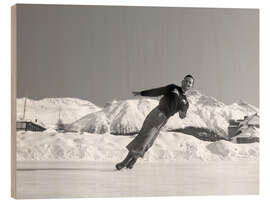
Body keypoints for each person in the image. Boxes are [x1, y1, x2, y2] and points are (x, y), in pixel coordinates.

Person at [115, 75, 194, 170]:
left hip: (163, 120)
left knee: (149, 142)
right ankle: (125, 162)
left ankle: (133, 160)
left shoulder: (186, 102)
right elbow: (158, 91)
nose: (187, 83)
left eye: (190, 82)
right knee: (144, 138)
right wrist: (142, 93)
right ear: (182, 81)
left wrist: (182, 113)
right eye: (186, 81)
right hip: (157, 113)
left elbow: (182, 115)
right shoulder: (173, 88)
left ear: (191, 86)